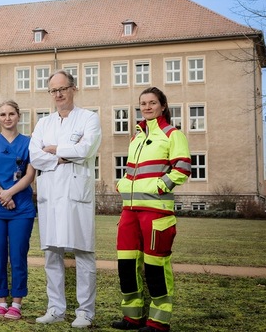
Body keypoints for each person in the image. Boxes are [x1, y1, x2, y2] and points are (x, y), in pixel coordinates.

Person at [111, 87, 191, 332]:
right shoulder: (136, 138)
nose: (147, 107)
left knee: (156, 267)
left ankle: (158, 321)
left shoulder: (172, 134)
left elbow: (183, 167)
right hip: (130, 211)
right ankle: (132, 317)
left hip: (156, 213)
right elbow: (132, 171)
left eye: (152, 103)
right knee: (126, 265)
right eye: (143, 103)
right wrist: (122, 184)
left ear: (162, 105)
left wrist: (159, 186)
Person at [29, 70, 102, 328]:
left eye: (63, 88)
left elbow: (87, 148)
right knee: (52, 253)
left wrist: (56, 150)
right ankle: (56, 308)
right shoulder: (43, 123)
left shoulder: (89, 119)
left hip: (76, 195)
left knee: (83, 253)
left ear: (74, 88)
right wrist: (63, 156)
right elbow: (34, 156)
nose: (59, 94)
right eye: (54, 90)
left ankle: (85, 312)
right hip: (51, 195)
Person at [0, 100, 36, 321]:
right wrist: (3, 196)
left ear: (18, 116)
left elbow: (30, 175)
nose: (7, 118)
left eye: (11, 113)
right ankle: (1, 301)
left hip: (21, 208)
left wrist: (9, 193)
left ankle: (17, 303)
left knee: (19, 255)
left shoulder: (29, 143)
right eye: (2, 114)